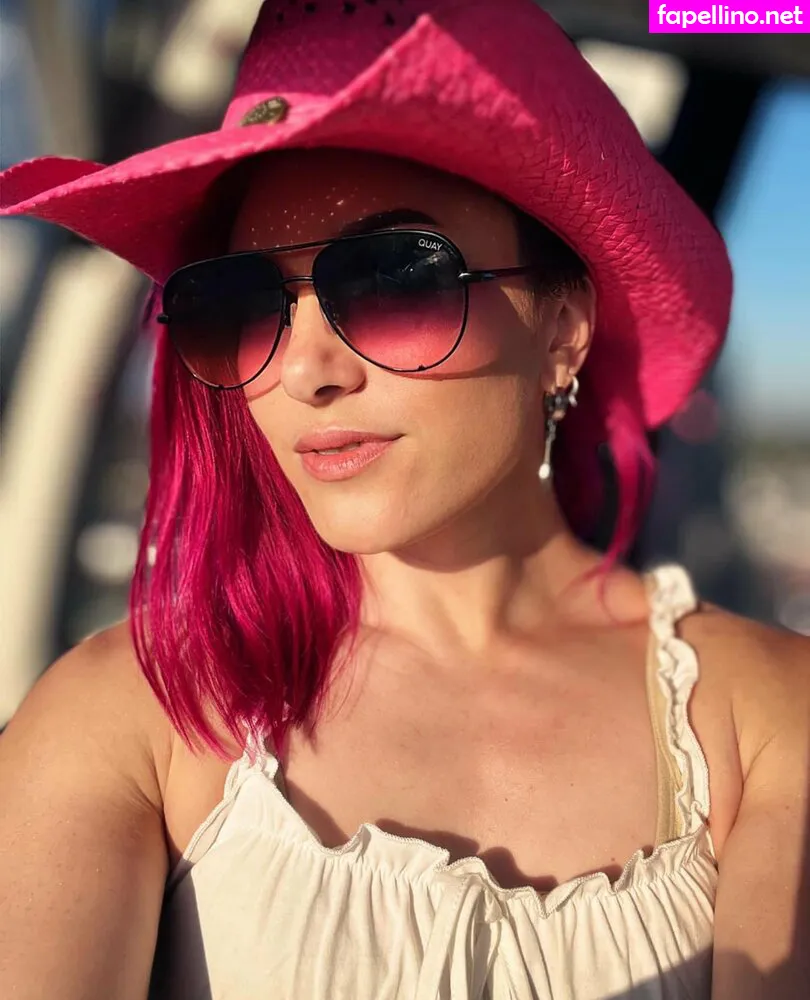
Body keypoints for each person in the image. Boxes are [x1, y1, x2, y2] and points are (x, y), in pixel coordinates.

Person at [0, 1, 807, 998]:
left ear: (561, 331)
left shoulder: (766, 716)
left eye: (393, 283)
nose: (304, 371)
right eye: (241, 306)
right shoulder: (133, 713)